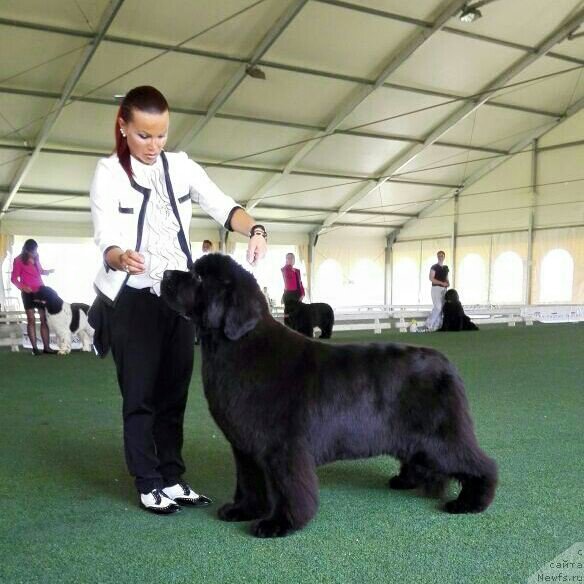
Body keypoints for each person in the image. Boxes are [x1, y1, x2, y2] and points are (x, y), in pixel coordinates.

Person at [88, 85, 267, 514]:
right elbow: (105, 237)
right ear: (123, 127)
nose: (154, 145)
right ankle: (148, 480)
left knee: (174, 394)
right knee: (140, 395)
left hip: (179, 301)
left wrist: (256, 230)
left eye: (162, 134)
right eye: (144, 135)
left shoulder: (182, 167)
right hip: (133, 298)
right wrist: (120, 255)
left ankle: (172, 476)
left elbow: (225, 207)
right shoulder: (109, 173)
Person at [10, 239, 57, 355]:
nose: (35, 253)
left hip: (40, 291)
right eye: (33, 251)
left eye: (36, 250)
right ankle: (35, 348)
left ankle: (47, 347)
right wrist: (23, 287)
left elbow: (40, 271)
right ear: (26, 250)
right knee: (31, 319)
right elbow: (14, 279)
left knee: (43, 319)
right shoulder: (18, 260)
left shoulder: (36, 257)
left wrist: (47, 272)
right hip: (27, 292)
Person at [424, 250, 449, 332]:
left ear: (444, 257)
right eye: (439, 255)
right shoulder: (434, 267)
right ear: (437, 257)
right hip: (436, 288)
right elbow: (431, 278)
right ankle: (428, 324)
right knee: (438, 307)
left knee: (442, 308)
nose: (440, 257)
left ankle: (437, 326)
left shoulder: (446, 268)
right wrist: (442, 283)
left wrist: (448, 283)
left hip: (444, 289)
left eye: (442, 255)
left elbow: (446, 278)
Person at [281, 253, 305, 327]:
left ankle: (297, 332)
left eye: (291, 258)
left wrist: (303, 293)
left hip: (297, 294)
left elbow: (300, 283)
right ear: (286, 260)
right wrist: (288, 265)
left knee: (298, 315)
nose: (290, 259)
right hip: (288, 295)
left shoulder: (297, 271)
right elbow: (288, 276)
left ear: (294, 260)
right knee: (288, 316)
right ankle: (287, 332)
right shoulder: (284, 269)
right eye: (288, 258)